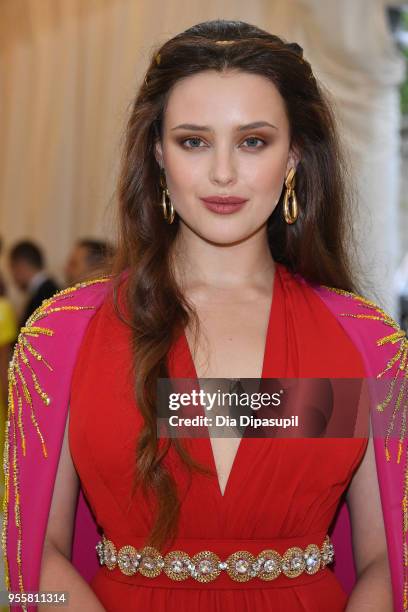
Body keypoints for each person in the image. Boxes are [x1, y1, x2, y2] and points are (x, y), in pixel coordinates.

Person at [3, 19, 402, 612]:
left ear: (293, 155)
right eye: (193, 140)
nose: (222, 173)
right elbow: (31, 552)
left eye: (252, 141)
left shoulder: (367, 345)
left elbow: (388, 559)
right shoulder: (60, 337)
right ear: (158, 154)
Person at [8, 240, 60, 327]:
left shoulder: (44, 295)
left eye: (12, 268)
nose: (12, 277)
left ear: (21, 266)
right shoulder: (49, 290)